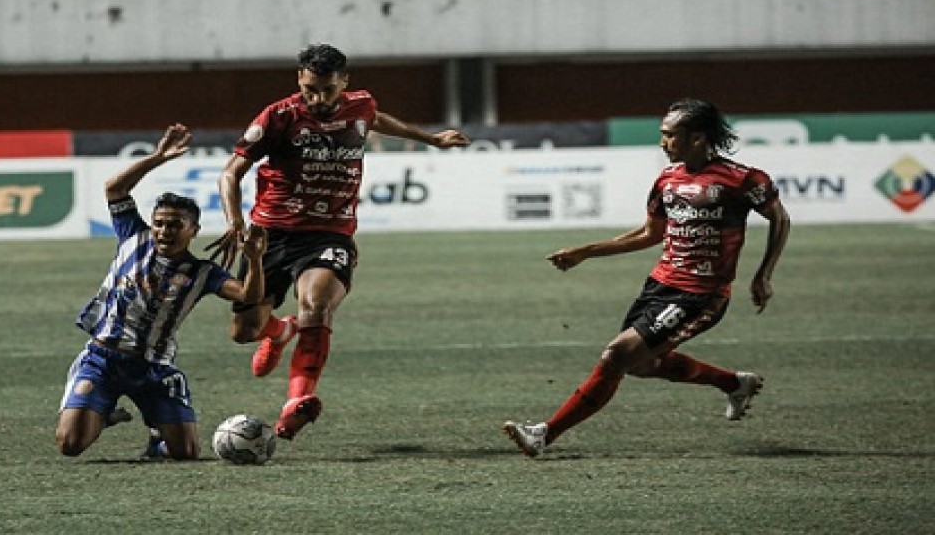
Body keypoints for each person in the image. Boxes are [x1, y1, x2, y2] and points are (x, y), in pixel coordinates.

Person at [208, 44, 470, 440]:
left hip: (328, 233)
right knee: (245, 331)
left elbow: (375, 120)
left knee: (316, 306)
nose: (318, 98)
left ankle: (295, 403)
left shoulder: (360, 105)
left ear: (344, 83)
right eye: (311, 89)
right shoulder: (278, 117)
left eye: (328, 90)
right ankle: (279, 331)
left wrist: (430, 139)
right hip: (270, 235)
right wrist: (235, 222)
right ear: (300, 79)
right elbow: (231, 173)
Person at [502, 98, 792, 458]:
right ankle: (734, 383)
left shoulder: (742, 179)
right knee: (642, 365)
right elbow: (649, 234)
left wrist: (763, 275)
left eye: (670, 135)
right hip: (659, 286)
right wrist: (586, 251)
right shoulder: (667, 180)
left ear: (698, 138)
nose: (662, 142)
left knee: (617, 355)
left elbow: (780, 218)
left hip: (700, 295)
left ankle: (544, 433)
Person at [56, 123, 268, 460]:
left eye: (174, 225)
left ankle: (157, 432)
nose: (164, 231)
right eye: (159, 222)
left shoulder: (203, 272)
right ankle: (103, 410)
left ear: (193, 230)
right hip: (102, 360)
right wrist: (157, 157)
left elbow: (248, 296)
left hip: (153, 368)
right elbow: (114, 188)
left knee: (184, 453)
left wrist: (255, 260)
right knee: (70, 445)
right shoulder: (132, 237)